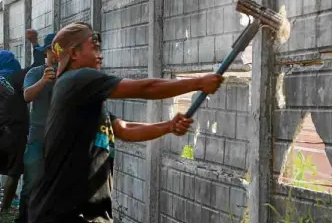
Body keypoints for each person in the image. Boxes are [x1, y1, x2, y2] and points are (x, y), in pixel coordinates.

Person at [27, 22, 224, 223]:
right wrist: (198, 83)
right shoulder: (78, 78)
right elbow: (145, 88)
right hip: (64, 214)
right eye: (94, 48)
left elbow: (124, 129)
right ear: (74, 53)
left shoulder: (82, 96)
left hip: (81, 213)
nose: (100, 55)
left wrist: (168, 126)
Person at [0, 30, 45, 215]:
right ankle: (4, 209)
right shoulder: (18, 76)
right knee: (14, 171)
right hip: (15, 131)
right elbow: (39, 65)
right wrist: (34, 43)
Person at [15, 33, 57, 223]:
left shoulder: (69, 73)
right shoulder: (36, 72)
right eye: (53, 49)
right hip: (38, 136)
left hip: (61, 136)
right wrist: (43, 81)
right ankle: (23, 219)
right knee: (31, 184)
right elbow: (26, 96)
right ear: (47, 51)